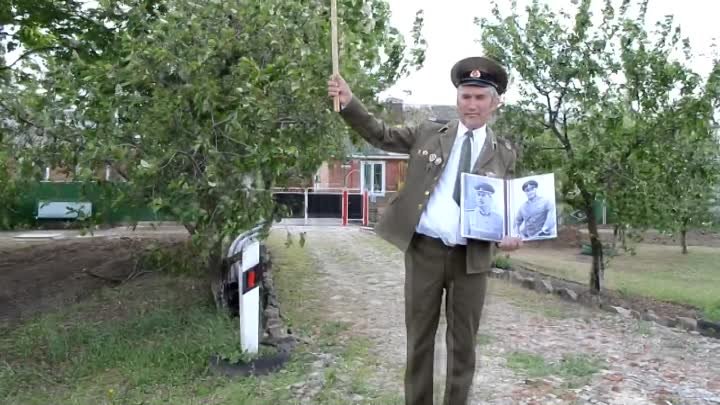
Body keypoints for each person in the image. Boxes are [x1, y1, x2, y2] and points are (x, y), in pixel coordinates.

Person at [327, 56, 523, 405]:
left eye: (480, 97)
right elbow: (381, 134)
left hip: (471, 259)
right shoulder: (429, 132)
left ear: (496, 103)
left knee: (463, 346)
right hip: (426, 252)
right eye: (466, 96)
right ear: (457, 98)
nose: (472, 104)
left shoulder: (504, 153)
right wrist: (349, 102)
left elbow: (508, 209)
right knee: (419, 340)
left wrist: (510, 234)